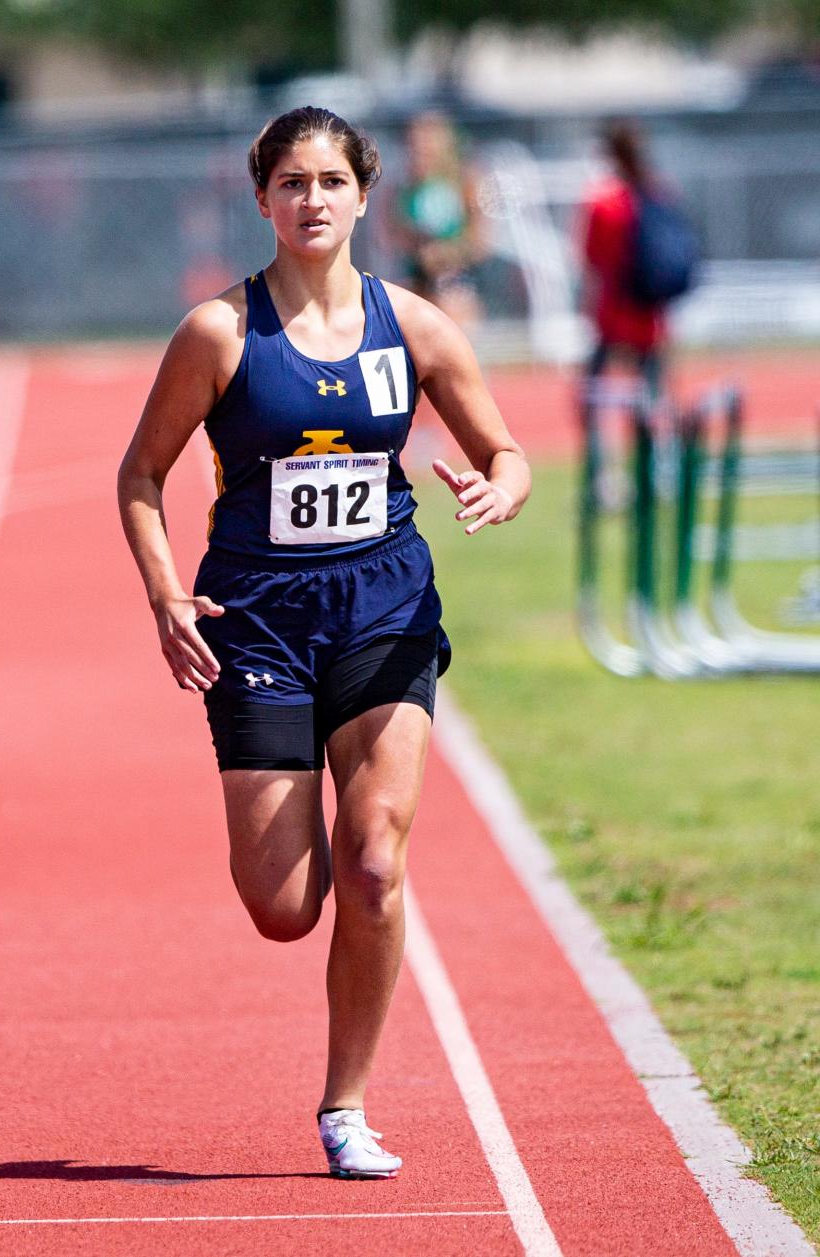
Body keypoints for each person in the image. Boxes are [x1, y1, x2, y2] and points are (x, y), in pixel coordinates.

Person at [117, 106, 530, 1180]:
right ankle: (312, 924)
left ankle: (347, 1106)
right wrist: (166, 597)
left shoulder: (419, 327)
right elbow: (141, 478)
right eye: (292, 182)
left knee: (377, 862)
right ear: (263, 197)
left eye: (332, 181)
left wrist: (500, 486)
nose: (313, 199)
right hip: (256, 614)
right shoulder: (219, 332)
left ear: (364, 194)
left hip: (385, 604)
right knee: (285, 905)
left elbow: (507, 448)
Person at [577, 119, 668, 401]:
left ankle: (594, 444)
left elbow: (591, 257)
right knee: (650, 391)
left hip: (614, 305)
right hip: (649, 304)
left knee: (592, 390)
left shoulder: (603, 203)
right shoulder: (656, 194)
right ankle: (650, 443)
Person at [388, 111, 487, 326]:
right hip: (416, 276)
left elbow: (480, 239)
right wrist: (417, 249)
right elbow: (389, 234)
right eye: (415, 142)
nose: (422, 148)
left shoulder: (464, 180)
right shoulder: (403, 186)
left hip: (457, 279)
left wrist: (448, 254)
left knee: (453, 321)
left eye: (428, 141)